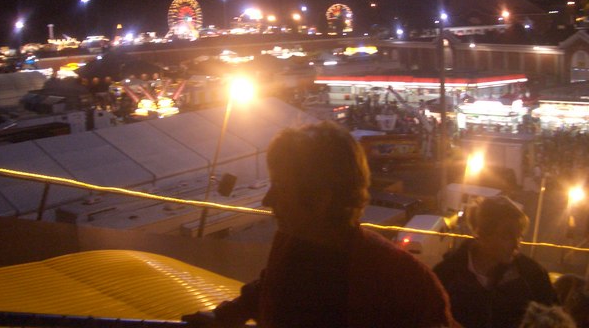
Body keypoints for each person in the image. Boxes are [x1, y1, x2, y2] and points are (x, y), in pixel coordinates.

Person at [183, 121, 457, 327]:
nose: (268, 200)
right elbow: (268, 288)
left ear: (321, 199)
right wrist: (222, 315)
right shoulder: (292, 245)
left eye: (280, 186)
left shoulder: (405, 284)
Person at [434, 195, 558, 328]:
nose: (516, 245)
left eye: (519, 236)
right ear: (482, 233)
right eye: (507, 236)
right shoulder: (445, 276)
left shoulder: (533, 276)